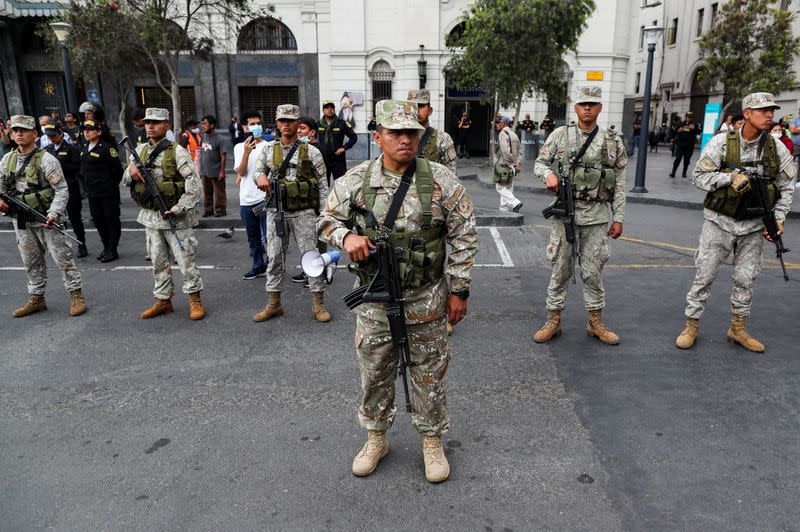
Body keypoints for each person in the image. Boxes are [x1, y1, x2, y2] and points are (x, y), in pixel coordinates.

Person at [316, 99, 477, 483]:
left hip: (426, 296)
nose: (405, 139)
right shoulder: (355, 181)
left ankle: (432, 440)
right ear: (378, 137)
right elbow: (325, 220)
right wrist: (347, 235)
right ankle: (376, 438)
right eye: (395, 133)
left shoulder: (441, 180)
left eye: (411, 133)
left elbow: (464, 233)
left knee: (430, 370)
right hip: (374, 298)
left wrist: (460, 290)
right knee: (374, 369)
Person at [675, 92, 796, 352]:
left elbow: (786, 188)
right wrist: (728, 179)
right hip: (719, 222)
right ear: (748, 113)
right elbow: (698, 176)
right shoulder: (722, 142)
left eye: (771, 110)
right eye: (763, 110)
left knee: (746, 278)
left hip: (753, 226)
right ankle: (691, 325)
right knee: (704, 275)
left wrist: (778, 218)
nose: (769, 115)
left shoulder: (777, 148)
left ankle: (737, 328)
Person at [532, 86, 628, 345]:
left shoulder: (611, 140)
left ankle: (595, 320)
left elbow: (619, 182)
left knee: (593, 270)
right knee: (561, 268)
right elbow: (539, 163)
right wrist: (548, 174)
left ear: (600, 108)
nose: (587, 108)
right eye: (583, 104)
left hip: (597, 217)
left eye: (593, 104)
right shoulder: (561, 135)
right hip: (566, 214)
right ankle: (553, 319)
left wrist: (617, 217)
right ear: (575, 108)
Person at [121, 107, 206, 320]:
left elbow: (194, 185)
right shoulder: (138, 151)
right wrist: (131, 172)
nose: (150, 126)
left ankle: (194, 299)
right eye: (147, 123)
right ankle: (163, 300)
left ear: (167, 125)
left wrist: (179, 208)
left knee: (186, 262)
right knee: (158, 263)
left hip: (176, 218)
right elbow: (125, 180)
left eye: (156, 123)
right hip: (151, 217)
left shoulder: (177, 151)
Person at [0, 115, 86, 317]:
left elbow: (62, 190)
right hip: (21, 221)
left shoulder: (47, 159)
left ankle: (76, 294)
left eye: (24, 130)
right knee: (30, 261)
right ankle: (37, 297)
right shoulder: (7, 159)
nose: (19, 134)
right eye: (15, 131)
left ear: (35, 135)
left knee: (63, 260)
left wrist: (54, 213)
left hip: (46, 219)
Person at [252, 104, 331, 323]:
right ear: (277, 123)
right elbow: (258, 171)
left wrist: (325, 216)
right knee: (275, 257)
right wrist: (259, 178)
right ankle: (274, 304)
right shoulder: (268, 150)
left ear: (298, 124)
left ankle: (318, 303)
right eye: (282, 121)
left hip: (304, 212)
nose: (286, 124)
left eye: (291, 120)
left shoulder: (312, 152)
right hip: (276, 212)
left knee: (312, 257)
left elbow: (324, 186)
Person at [81, 119, 124, 262]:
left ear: (98, 132)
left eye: (90, 129)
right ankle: (106, 247)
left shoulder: (107, 148)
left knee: (111, 220)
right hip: (92, 193)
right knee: (98, 220)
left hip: (107, 192)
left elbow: (117, 171)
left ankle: (113, 249)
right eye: (84, 129)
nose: (86, 132)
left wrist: (109, 185)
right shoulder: (84, 148)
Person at [43, 122, 87, 258]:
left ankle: (82, 244)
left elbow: (75, 167)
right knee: (56, 218)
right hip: (53, 189)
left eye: (54, 135)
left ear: (61, 133)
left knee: (75, 218)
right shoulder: (47, 149)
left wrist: (58, 167)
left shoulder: (71, 149)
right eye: (49, 136)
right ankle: (60, 246)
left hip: (70, 187)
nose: (51, 138)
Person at [234, 110, 269, 280]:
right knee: (253, 238)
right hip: (246, 199)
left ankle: (273, 266)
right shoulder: (239, 147)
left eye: (258, 123)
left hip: (264, 199)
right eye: (252, 124)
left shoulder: (269, 146)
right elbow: (241, 171)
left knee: (270, 237)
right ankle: (257, 265)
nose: (256, 126)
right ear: (244, 127)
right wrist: (247, 152)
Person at [407, 89, 457, 174]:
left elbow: (451, 177)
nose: (416, 110)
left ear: (430, 111)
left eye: (421, 106)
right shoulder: (399, 137)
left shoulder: (443, 139)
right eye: (413, 106)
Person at [317, 100, 358, 185]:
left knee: (340, 185)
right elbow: (310, 137)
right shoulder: (318, 124)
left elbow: (353, 137)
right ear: (323, 111)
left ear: (334, 109)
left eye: (332, 107)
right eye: (327, 108)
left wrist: (344, 147)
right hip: (323, 160)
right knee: (323, 185)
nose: (330, 109)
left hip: (338, 159)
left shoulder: (341, 123)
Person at [199, 115, 227, 217]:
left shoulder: (220, 139)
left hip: (216, 171)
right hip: (204, 171)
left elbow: (223, 156)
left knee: (219, 192)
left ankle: (220, 210)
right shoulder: (203, 137)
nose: (202, 126)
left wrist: (222, 172)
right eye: (202, 124)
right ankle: (208, 210)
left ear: (212, 125)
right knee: (207, 192)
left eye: (205, 123)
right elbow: (201, 153)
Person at [494, 116, 523, 212]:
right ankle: (504, 208)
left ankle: (515, 203)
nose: (497, 124)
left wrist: (510, 164)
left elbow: (505, 151)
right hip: (513, 165)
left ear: (503, 124)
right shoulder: (514, 134)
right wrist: (516, 163)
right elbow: (520, 151)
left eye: (498, 123)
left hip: (504, 164)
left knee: (499, 187)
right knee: (508, 187)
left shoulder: (502, 133)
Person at [670, 111, 698, 178]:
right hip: (681, 144)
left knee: (687, 159)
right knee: (678, 158)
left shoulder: (694, 124)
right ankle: (673, 172)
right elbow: (673, 132)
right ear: (685, 117)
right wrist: (678, 130)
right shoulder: (680, 123)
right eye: (688, 117)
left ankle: (684, 172)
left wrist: (694, 129)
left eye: (691, 117)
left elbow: (699, 131)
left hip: (689, 145)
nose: (689, 118)